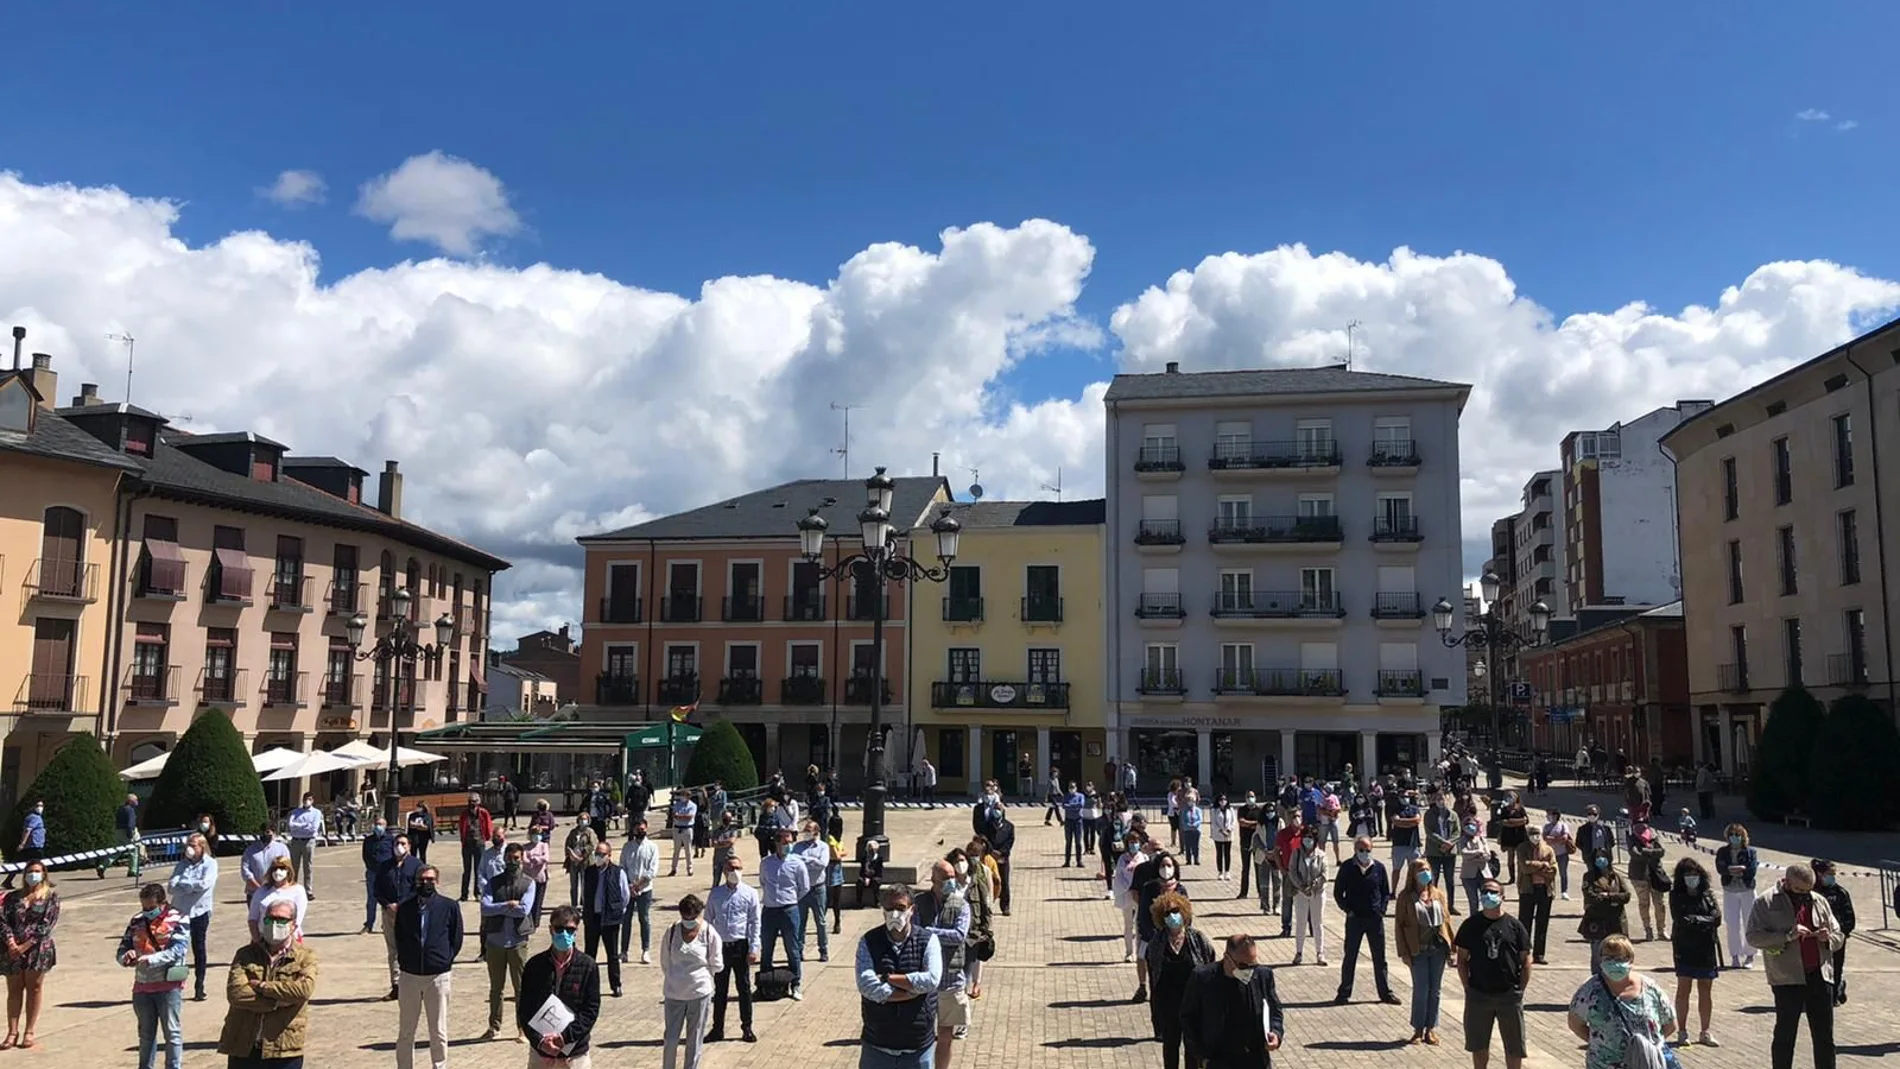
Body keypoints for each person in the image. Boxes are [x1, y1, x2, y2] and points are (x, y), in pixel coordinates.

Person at [1746, 861, 1844, 1069]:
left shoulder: (1818, 900)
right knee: (1785, 1035)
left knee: (1824, 1037)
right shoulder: (1766, 901)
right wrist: (1788, 936)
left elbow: (1839, 934)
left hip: (1819, 974)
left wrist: (1828, 939)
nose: (1804, 895)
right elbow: (1753, 937)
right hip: (1787, 977)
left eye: (1808, 890)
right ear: (1787, 882)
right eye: (1799, 890)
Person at [217, 897, 317, 1069]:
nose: (274, 924)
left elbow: (303, 990)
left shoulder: (305, 956)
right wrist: (278, 1001)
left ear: (293, 924)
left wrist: (262, 987)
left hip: (283, 1048)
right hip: (244, 1045)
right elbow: (236, 994)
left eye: (281, 920)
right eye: (270, 919)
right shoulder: (245, 954)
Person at [856, 883, 943, 1069]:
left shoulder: (928, 940)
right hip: (877, 1044)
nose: (895, 914)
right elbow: (866, 984)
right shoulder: (869, 941)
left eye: (901, 908)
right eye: (889, 908)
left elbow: (932, 979)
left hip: (917, 1046)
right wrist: (908, 993)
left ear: (912, 910)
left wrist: (889, 979)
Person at [1454, 876, 1531, 1069]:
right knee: (1478, 1046)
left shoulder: (1515, 926)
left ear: (1502, 896)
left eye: (1493, 892)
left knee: (1514, 1047)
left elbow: (1526, 959)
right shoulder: (1470, 925)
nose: (1489, 895)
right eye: (1485, 892)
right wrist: (1467, 986)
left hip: (1508, 995)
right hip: (1479, 994)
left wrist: (1519, 989)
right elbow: (1462, 959)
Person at [1566, 934, 1676, 1069]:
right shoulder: (1590, 991)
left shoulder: (1650, 988)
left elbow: (1670, 1024)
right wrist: (1600, 1042)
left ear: (1630, 959)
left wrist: (1645, 1047)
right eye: (1608, 958)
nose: (1613, 963)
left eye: (1619, 958)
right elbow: (1575, 1023)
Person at [1178, 933, 1284, 1069]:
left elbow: (1275, 1010)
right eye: (1243, 965)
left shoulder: (1263, 975)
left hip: (1255, 1059)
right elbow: (1188, 1019)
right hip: (1219, 1059)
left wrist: (1276, 1033)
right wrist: (1203, 1058)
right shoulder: (1202, 978)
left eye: (1253, 964)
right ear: (1227, 958)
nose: (1249, 970)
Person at [394, 865, 462, 1069]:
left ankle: (439, 1066)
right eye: (422, 879)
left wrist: (445, 959)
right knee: (406, 1030)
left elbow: (456, 937)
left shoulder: (448, 906)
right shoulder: (405, 907)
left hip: (437, 976)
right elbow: (399, 937)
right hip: (410, 975)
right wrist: (406, 960)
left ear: (437, 881)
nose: (426, 883)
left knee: (438, 1029)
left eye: (430, 879)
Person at [519, 905, 602, 1069]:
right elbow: (525, 1009)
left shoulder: (588, 966)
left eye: (570, 930)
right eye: (559, 928)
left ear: (576, 931)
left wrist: (564, 1038)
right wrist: (540, 1042)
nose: (564, 934)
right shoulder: (534, 966)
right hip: (541, 1054)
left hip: (575, 1054)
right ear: (551, 930)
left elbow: (590, 1010)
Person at [120, 882, 189, 1069]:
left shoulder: (179, 918)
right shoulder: (136, 921)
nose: (147, 911)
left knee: (172, 1031)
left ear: (162, 903)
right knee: (146, 1033)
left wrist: (151, 959)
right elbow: (123, 947)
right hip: (142, 985)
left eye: (151, 907)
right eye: (144, 907)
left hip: (169, 985)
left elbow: (178, 950)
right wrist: (126, 957)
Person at [1144, 891, 1215, 1069]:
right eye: (1167, 913)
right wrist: (1156, 1012)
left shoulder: (1198, 939)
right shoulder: (1156, 944)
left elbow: (1211, 967)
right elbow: (1154, 979)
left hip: (1193, 1004)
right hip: (1169, 1005)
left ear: (1184, 911)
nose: (1172, 916)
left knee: (1193, 1049)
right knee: (1170, 1047)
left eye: (1175, 911)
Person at [911, 861, 970, 1067]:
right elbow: (915, 931)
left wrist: (931, 932)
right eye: (946, 878)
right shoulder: (919, 903)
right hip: (924, 982)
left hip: (951, 980)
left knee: (946, 1036)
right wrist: (928, 933)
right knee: (921, 1035)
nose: (951, 881)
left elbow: (959, 935)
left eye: (952, 876)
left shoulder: (961, 904)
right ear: (934, 880)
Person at [478, 841, 537, 1041]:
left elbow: (524, 910)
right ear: (504, 859)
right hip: (495, 941)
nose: (512, 862)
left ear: (522, 859)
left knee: (521, 988)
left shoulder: (529, 883)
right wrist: (508, 905)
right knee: (496, 988)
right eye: (509, 858)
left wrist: (501, 907)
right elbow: (485, 908)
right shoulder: (493, 883)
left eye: (516, 859)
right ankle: (494, 1027)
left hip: (518, 942)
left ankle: (522, 1028)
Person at [1394, 857, 1454, 1045]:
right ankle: (1418, 1029)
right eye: (1421, 870)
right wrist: (1403, 951)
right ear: (1412, 873)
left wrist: (1453, 949)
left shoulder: (1438, 894)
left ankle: (1431, 1029)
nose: (1425, 873)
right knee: (1421, 989)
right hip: (1417, 949)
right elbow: (1399, 925)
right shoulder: (1405, 896)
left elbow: (1447, 921)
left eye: (1427, 869)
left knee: (1435, 990)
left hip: (1437, 949)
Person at [0, 859, 58, 1051]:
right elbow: (3, 920)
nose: (33, 875)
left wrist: (25, 946)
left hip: (37, 949)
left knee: (34, 988)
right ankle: (12, 1032)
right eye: (30, 871)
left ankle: (29, 1031)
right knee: (14, 989)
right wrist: (11, 943)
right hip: (12, 949)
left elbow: (46, 925)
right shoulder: (12, 897)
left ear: (44, 874)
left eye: (37, 871)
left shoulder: (50, 897)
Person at [659, 894, 722, 1069]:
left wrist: (701, 977)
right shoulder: (671, 931)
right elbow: (665, 961)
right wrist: (675, 977)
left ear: (699, 914)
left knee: (694, 1039)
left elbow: (717, 964)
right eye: (685, 917)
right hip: (674, 993)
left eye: (692, 918)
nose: (688, 921)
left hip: (699, 992)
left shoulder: (709, 933)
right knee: (671, 1038)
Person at [1333, 835, 1397, 1004]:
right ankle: (1344, 993)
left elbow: (1385, 892)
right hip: (1355, 919)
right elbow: (1338, 892)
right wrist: (1348, 910)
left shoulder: (1379, 868)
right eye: (1361, 850)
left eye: (1368, 850)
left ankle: (1385, 993)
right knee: (1350, 956)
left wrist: (1381, 910)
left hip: (1374, 920)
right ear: (1355, 849)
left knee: (1380, 958)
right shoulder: (1347, 867)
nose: (1365, 853)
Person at [705, 855, 761, 1044]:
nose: (735, 872)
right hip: (721, 946)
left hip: (740, 945)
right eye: (731, 868)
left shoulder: (750, 893)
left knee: (744, 988)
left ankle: (747, 1027)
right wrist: (707, 948)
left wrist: (754, 948)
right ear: (724, 872)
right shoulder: (715, 894)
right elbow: (707, 922)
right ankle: (717, 1028)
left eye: (738, 868)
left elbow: (755, 922)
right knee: (720, 990)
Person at [1668, 856, 1722, 1047]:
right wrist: (1702, 920)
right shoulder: (1676, 895)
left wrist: (1698, 920)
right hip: (1685, 946)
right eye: (1688, 874)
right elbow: (1681, 919)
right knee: (1684, 988)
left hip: (1706, 946)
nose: (1692, 877)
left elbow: (1716, 917)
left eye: (1695, 874)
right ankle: (1682, 1031)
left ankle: (1705, 1031)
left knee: (1705, 989)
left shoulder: (1707, 893)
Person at [759, 828, 813, 1001]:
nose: (788, 845)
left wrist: (790, 899)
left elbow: (804, 887)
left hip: (789, 909)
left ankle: (795, 984)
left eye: (790, 842)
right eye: (784, 842)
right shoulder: (766, 863)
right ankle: (765, 984)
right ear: (777, 843)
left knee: (793, 949)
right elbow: (763, 882)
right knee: (767, 948)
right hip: (769, 910)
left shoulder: (797, 863)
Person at [167, 832, 219, 1001]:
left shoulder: (210, 864)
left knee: (199, 949)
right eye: (187, 845)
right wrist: (189, 886)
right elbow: (171, 887)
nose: (189, 848)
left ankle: (199, 985)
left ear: (202, 847)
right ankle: (174, 986)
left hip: (199, 912)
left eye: (193, 845)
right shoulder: (182, 865)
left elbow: (204, 884)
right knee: (176, 949)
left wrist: (184, 885)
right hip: (180, 912)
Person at [374, 834, 421, 1001]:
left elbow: (418, 889)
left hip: (409, 913)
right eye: (396, 843)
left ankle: (414, 986)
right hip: (389, 913)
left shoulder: (416, 865)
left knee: (411, 949)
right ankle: (396, 986)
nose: (398, 846)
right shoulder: (385, 866)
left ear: (408, 846)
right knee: (393, 950)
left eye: (402, 843)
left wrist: (403, 905)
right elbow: (377, 890)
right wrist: (388, 905)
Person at [579, 842, 627, 998]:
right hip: (592, 917)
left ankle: (616, 985)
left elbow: (624, 896)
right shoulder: (589, 871)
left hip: (610, 918)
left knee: (612, 954)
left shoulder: (618, 872)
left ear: (609, 856)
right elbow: (585, 894)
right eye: (597, 854)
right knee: (590, 953)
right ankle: (588, 987)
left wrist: (617, 910)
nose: (598, 857)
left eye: (602, 854)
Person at [1714, 822, 1758, 969]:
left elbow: (1751, 871)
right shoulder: (1722, 852)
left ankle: (1750, 955)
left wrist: (1735, 869)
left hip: (1747, 890)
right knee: (1732, 924)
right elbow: (1721, 868)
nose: (1734, 837)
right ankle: (1735, 955)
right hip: (1730, 890)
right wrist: (1734, 869)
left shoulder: (1750, 852)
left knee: (1749, 922)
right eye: (1732, 835)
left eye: (1737, 835)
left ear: (1743, 836)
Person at [1580, 850, 1632, 970]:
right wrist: (1613, 900)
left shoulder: (1616, 876)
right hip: (1598, 922)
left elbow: (1626, 896)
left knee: (1619, 954)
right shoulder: (1589, 877)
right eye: (1597, 857)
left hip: (1616, 922)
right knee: (1598, 957)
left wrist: (1608, 896)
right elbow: (1591, 897)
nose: (1600, 859)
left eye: (1603, 857)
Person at [1812, 858, 1855, 1005]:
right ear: (1819, 874)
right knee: (1817, 967)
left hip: (1836, 937)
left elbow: (1849, 916)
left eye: (1834, 874)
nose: (1832, 877)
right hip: (1817, 937)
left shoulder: (1840, 893)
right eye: (1829, 874)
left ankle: (1835, 993)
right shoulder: (1812, 892)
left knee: (1836, 966)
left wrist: (1841, 933)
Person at [1513, 824, 1556, 964]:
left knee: (1542, 923)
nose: (1536, 836)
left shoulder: (1548, 849)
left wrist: (1535, 867)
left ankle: (1539, 954)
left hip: (1545, 889)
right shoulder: (1521, 848)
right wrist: (1542, 865)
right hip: (1527, 889)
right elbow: (1525, 867)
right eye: (1533, 834)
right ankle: (1523, 952)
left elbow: (1553, 870)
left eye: (1538, 834)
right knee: (1525, 921)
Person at [792, 817, 833, 963]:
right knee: (800, 922)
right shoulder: (798, 846)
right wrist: (810, 862)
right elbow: (793, 861)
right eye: (805, 831)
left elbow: (822, 863)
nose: (806, 834)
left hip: (818, 888)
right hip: (802, 889)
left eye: (809, 831)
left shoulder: (823, 847)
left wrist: (804, 860)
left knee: (820, 921)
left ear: (816, 832)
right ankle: (799, 949)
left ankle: (823, 949)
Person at [620, 817, 660, 965]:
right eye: (637, 829)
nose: (640, 831)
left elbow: (652, 870)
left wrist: (638, 885)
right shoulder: (627, 847)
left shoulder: (652, 847)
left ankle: (645, 950)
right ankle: (624, 951)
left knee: (644, 919)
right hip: (628, 889)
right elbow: (622, 867)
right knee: (626, 920)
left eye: (642, 829)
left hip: (645, 889)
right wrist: (629, 886)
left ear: (646, 829)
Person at [1287, 825, 1328, 965]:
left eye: (1310, 837)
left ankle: (1320, 953)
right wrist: (1301, 886)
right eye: (1305, 837)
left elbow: (1324, 875)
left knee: (1317, 923)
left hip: (1317, 893)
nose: (1307, 840)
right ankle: (1299, 953)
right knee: (1300, 923)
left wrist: (1314, 886)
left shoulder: (1321, 855)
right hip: (1300, 893)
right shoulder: (1296, 853)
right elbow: (1292, 871)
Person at [247, 856, 309, 942]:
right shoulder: (261, 891)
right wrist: (257, 940)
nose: (277, 871)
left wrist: (285, 942)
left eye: (282, 868)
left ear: (288, 870)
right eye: (274, 869)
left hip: (289, 938)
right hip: (263, 938)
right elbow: (252, 919)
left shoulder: (298, 891)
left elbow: (297, 921)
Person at [1627, 824, 1670, 941]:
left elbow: (1661, 851)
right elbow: (1635, 853)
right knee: (1644, 903)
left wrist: (1645, 851)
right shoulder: (1632, 837)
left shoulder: (1654, 836)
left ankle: (1662, 930)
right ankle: (1648, 930)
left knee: (1660, 903)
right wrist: (1651, 852)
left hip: (1656, 875)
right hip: (1639, 875)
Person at [360, 815, 396, 935]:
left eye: (381, 824)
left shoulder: (391, 840)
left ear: (385, 826)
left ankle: (387, 924)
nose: (378, 826)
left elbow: (395, 855)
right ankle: (369, 924)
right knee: (371, 899)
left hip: (387, 873)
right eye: (376, 824)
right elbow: (365, 855)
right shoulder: (368, 840)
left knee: (387, 900)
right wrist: (370, 867)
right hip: (372, 872)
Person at [286, 793, 325, 900]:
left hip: (308, 841)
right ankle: (291, 888)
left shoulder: (316, 813)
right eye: (305, 799)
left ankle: (308, 890)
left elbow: (313, 828)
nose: (306, 801)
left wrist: (299, 827)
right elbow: (290, 825)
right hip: (296, 841)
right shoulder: (295, 812)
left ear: (312, 800)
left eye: (309, 799)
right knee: (294, 866)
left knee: (308, 867)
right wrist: (305, 825)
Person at [239, 823, 290, 906]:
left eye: (267, 832)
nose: (264, 835)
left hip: (276, 893)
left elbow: (287, 868)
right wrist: (259, 888)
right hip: (254, 893)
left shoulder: (282, 849)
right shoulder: (250, 850)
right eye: (262, 832)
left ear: (273, 833)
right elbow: (245, 870)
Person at [458, 792, 495, 901]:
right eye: (470, 801)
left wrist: (487, 837)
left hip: (479, 843)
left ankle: (477, 893)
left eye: (474, 801)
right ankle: (464, 894)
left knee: (478, 869)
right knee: (467, 870)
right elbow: (461, 827)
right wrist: (463, 840)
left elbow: (488, 825)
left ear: (478, 802)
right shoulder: (464, 813)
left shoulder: (483, 813)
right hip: (467, 844)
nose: (472, 803)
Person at [1455, 817, 1492, 916]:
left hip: (1484, 875)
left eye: (1473, 825)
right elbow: (1464, 854)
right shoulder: (1462, 840)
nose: (1471, 828)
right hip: (1468, 876)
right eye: (1468, 825)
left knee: (1487, 901)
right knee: (1473, 902)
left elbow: (1487, 856)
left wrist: (1473, 857)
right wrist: (1478, 853)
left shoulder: (1481, 839)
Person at [4, 802, 45, 888]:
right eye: (38, 805)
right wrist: (22, 844)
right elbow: (28, 830)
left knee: (19, 865)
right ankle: (41, 882)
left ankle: (8, 881)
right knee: (38, 865)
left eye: (41, 805)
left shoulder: (30, 817)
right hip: (34, 846)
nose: (40, 807)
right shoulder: (35, 818)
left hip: (31, 845)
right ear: (33, 807)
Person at [524, 821, 553, 929]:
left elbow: (545, 858)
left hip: (540, 877)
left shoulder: (544, 845)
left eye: (539, 834)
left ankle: (536, 922)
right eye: (535, 834)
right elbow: (524, 860)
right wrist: (533, 861)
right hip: (528, 878)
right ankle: (527, 920)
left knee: (538, 901)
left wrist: (535, 859)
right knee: (528, 900)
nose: (537, 836)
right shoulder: (525, 847)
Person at [1541, 808, 1574, 900]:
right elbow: (1544, 838)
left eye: (1550, 815)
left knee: (1563, 873)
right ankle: (1552, 891)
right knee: (1550, 873)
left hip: (1562, 854)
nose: (1548, 817)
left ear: (1555, 816)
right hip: (1550, 855)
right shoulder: (1546, 826)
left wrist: (1552, 839)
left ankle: (1564, 891)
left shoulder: (1563, 825)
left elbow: (1564, 838)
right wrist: (1557, 839)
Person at [564, 819, 597, 908]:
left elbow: (592, 845)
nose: (583, 821)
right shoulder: (573, 832)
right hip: (573, 861)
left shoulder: (590, 832)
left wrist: (582, 856)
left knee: (584, 884)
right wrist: (571, 854)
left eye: (585, 819)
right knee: (573, 884)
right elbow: (568, 844)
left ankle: (584, 903)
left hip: (585, 861)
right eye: (581, 819)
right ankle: (574, 904)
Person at [668, 789, 699, 878]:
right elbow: (674, 815)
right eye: (682, 795)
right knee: (676, 850)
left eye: (684, 795)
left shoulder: (693, 805)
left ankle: (689, 868)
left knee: (688, 850)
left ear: (689, 797)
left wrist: (680, 816)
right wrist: (681, 817)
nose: (682, 797)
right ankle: (674, 869)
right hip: (677, 828)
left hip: (687, 829)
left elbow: (689, 817)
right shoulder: (677, 804)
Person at [405, 800, 435, 865]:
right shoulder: (412, 815)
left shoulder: (428, 815)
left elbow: (426, 827)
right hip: (413, 836)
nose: (417, 808)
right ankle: (413, 865)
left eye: (420, 807)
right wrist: (420, 825)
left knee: (422, 853)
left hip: (423, 837)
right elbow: (411, 825)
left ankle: (422, 865)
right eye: (417, 806)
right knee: (413, 852)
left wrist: (417, 825)